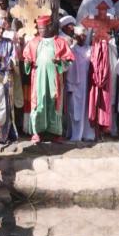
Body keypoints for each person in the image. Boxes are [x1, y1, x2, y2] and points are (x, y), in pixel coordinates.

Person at [24, 15, 74, 144]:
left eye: (44, 28)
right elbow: (26, 59)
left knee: (54, 100)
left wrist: (59, 62)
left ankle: (55, 132)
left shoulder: (60, 42)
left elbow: (69, 60)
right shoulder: (33, 42)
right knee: (39, 101)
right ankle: (37, 132)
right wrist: (28, 62)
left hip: (54, 77)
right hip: (38, 77)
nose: (41, 31)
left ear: (49, 27)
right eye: (39, 29)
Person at [67, 26, 94, 142]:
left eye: (84, 36)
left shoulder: (89, 50)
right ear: (76, 37)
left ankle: (86, 134)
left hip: (87, 85)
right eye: (80, 36)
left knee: (86, 109)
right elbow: (69, 69)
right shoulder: (72, 50)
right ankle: (75, 135)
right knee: (74, 110)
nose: (83, 38)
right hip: (75, 85)